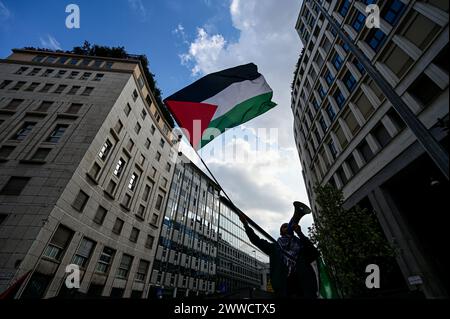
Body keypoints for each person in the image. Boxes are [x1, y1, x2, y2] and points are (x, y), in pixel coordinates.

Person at [239, 202, 319, 298]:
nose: (287, 226)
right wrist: (245, 224)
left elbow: (314, 253)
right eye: (284, 226)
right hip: (284, 290)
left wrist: (300, 233)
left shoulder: (300, 245)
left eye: (288, 225)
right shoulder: (274, 248)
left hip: (305, 288)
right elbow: (256, 240)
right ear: (281, 232)